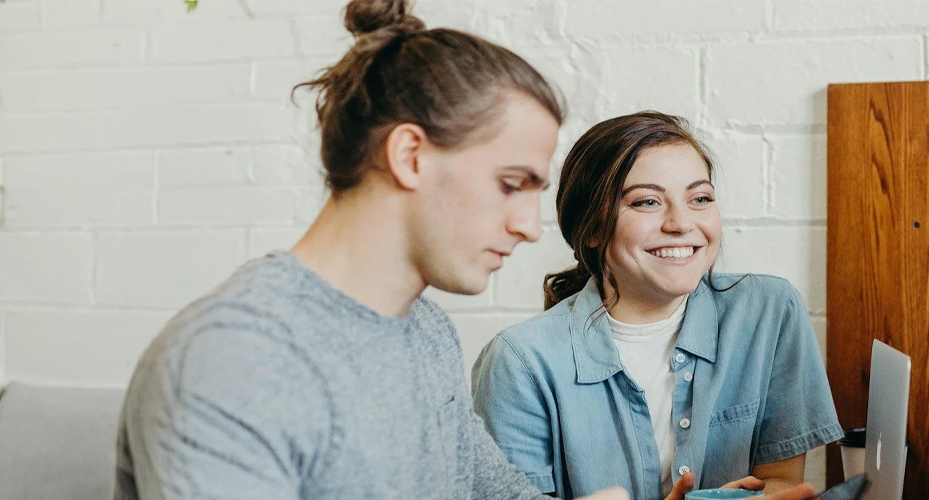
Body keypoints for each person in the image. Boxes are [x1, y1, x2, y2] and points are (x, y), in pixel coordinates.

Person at [112, 1, 611, 498]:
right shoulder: (235, 360)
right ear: (409, 156)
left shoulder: (427, 331)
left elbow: (492, 491)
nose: (528, 227)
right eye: (510, 184)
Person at [471, 112, 841, 500]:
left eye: (700, 198)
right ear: (592, 228)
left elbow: (783, 479)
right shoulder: (519, 362)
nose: (681, 223)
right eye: (647, 202)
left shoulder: (769, 313)